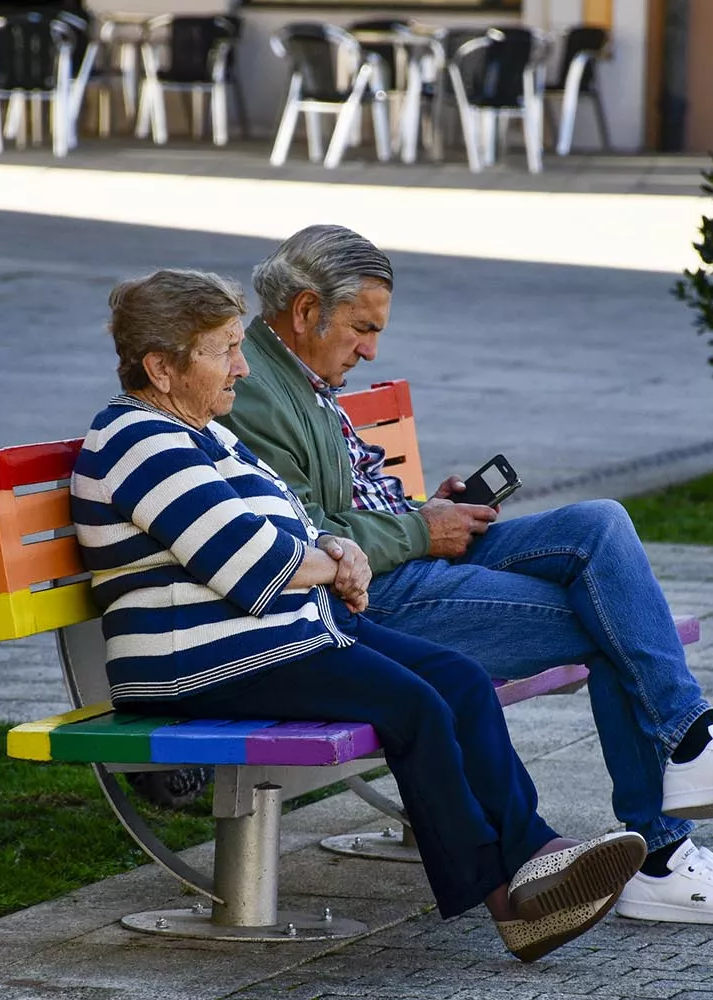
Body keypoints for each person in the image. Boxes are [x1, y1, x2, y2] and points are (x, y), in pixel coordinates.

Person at [219, 225, 713, 928]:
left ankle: (692, 746)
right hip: (374, 599)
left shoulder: (304, 374)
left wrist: (428, 508)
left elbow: (352, 501)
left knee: (599, 523)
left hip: (413, 553)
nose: (371, 349)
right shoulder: (257, 391)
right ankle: (665, 852)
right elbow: (308, 541)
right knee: (614, 623)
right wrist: (422, 528)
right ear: (303, 310)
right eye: (362, 328)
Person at [70, 267, 647, 963]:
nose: (242, 365)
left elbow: (290, 528)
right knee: (414, 705)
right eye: (223, 349)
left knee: (458, 679)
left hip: (273, 636)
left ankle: (536, 850)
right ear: (161, 368)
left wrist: (335, 547)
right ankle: (508, 903)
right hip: (193, 660)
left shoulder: (203, 434)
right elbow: (252, 563)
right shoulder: (138, 441)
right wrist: (337, 561)